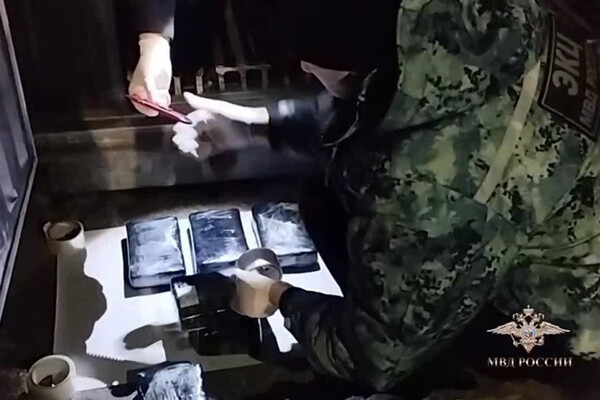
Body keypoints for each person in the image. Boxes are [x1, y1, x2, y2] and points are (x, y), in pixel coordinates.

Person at [131, 0, 600, 392]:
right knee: (328, 196)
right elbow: (394, 101)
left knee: (396, 349)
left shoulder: (426, 188)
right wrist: (258, 126)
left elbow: (369, 356)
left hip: (563, 328)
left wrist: (276, 296)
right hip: (556, 220)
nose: (303, 67)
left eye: (309, 58)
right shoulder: (462, 14)